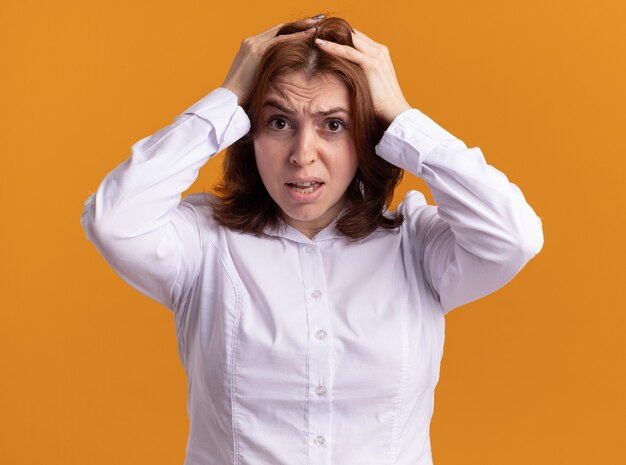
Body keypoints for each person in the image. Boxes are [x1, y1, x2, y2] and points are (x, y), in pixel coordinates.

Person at [81, 15, 544, 465]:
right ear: (250, 134)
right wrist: (228, 98)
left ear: (366, 136)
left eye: (334, 124)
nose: (303, 155)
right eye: (279, 122)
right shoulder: (202, 243)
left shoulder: (416, 245)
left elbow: (514, 236)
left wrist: (403, 116)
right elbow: (113, 219)